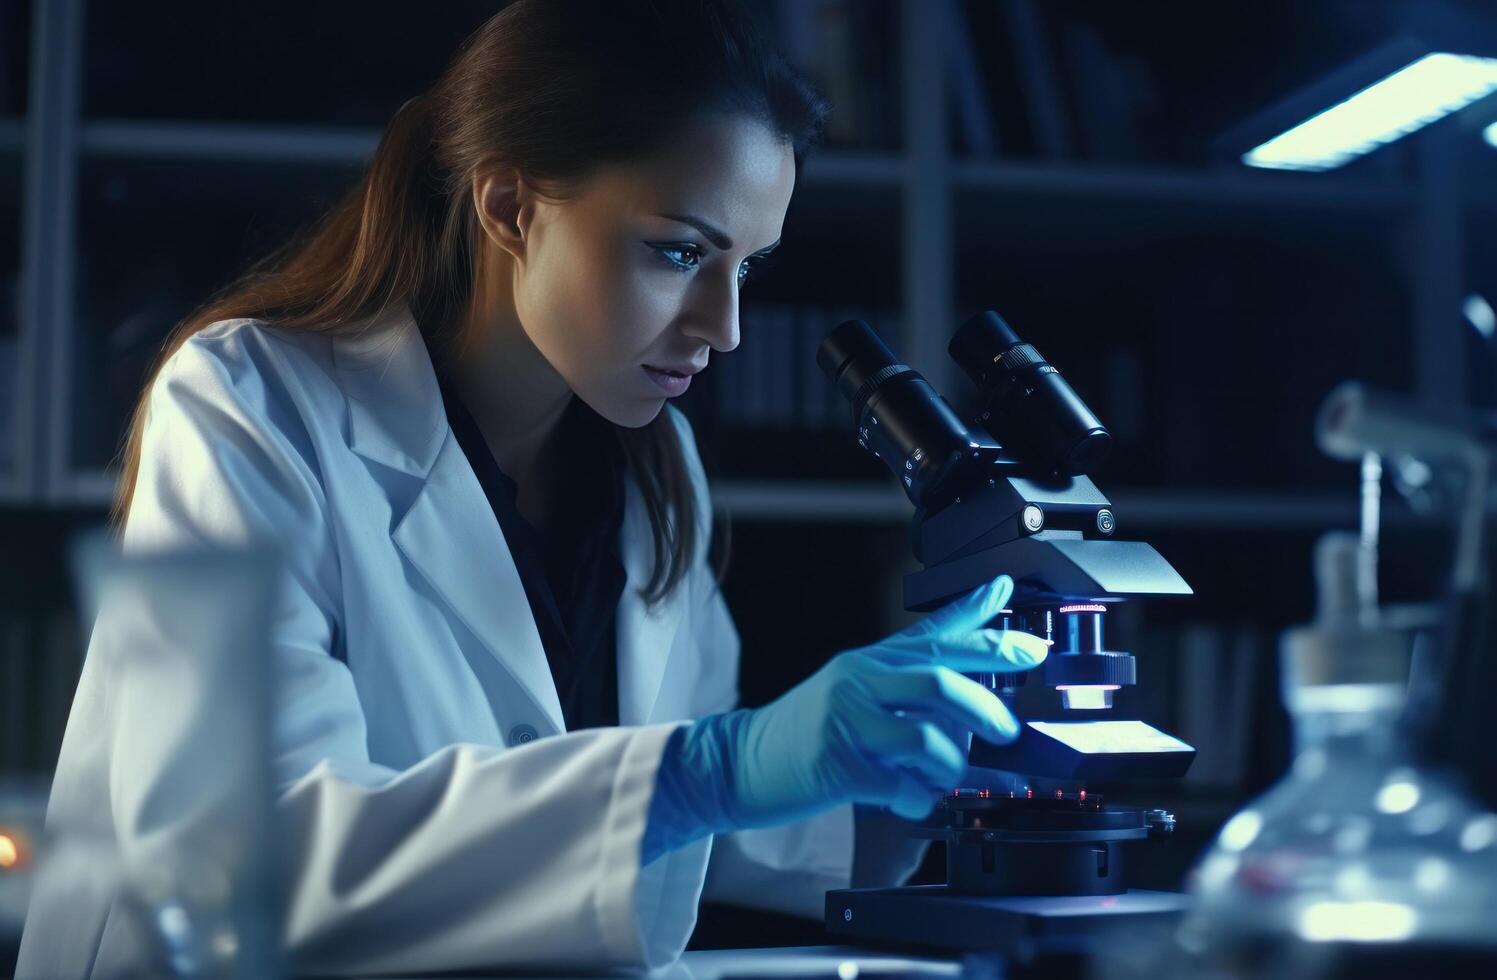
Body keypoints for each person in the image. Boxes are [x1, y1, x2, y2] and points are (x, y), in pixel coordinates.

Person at [17, 1, 1048, 975]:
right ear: (509, 204)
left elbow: (682, 839)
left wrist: (910, 784)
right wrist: (712, 765)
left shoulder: (654, 474)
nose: (723, 326)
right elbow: (235, 861)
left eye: (748, 268)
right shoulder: (244, 402)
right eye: (679, 251)